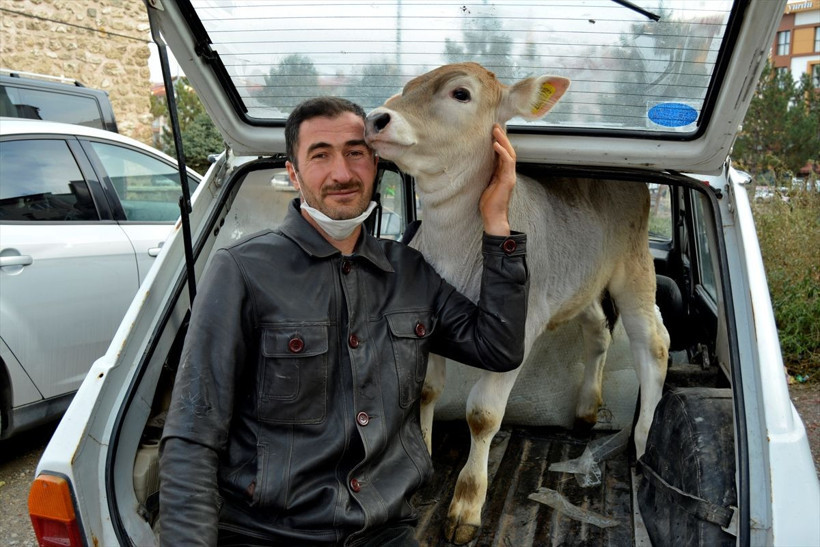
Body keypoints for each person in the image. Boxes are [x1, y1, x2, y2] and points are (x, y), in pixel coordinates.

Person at [159, 96, 528, 546]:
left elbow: (499, 347)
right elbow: (192, 435)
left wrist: (497, 223)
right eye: (320, 155)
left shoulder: (409, 272)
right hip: (269, 533)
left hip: (384, 532)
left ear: (375, 164)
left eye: (356, 152)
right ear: (293, 174)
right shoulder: (242, 271)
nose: (342, 173)